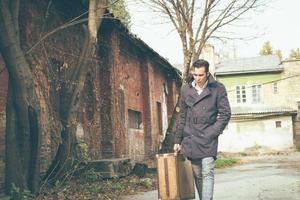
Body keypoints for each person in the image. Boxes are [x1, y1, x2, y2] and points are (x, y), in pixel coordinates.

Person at [174, 59, 231, 200]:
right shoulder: (186, 89)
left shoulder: (218, 88)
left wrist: (212, 133)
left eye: (201, 75)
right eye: (195, 75)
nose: (197, 78)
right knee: (198, 175)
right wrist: (178, 140)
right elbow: (183, 117)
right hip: (191, 137)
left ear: (207, 73)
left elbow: (225, 114)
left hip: (208, 138)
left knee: (207, 173)